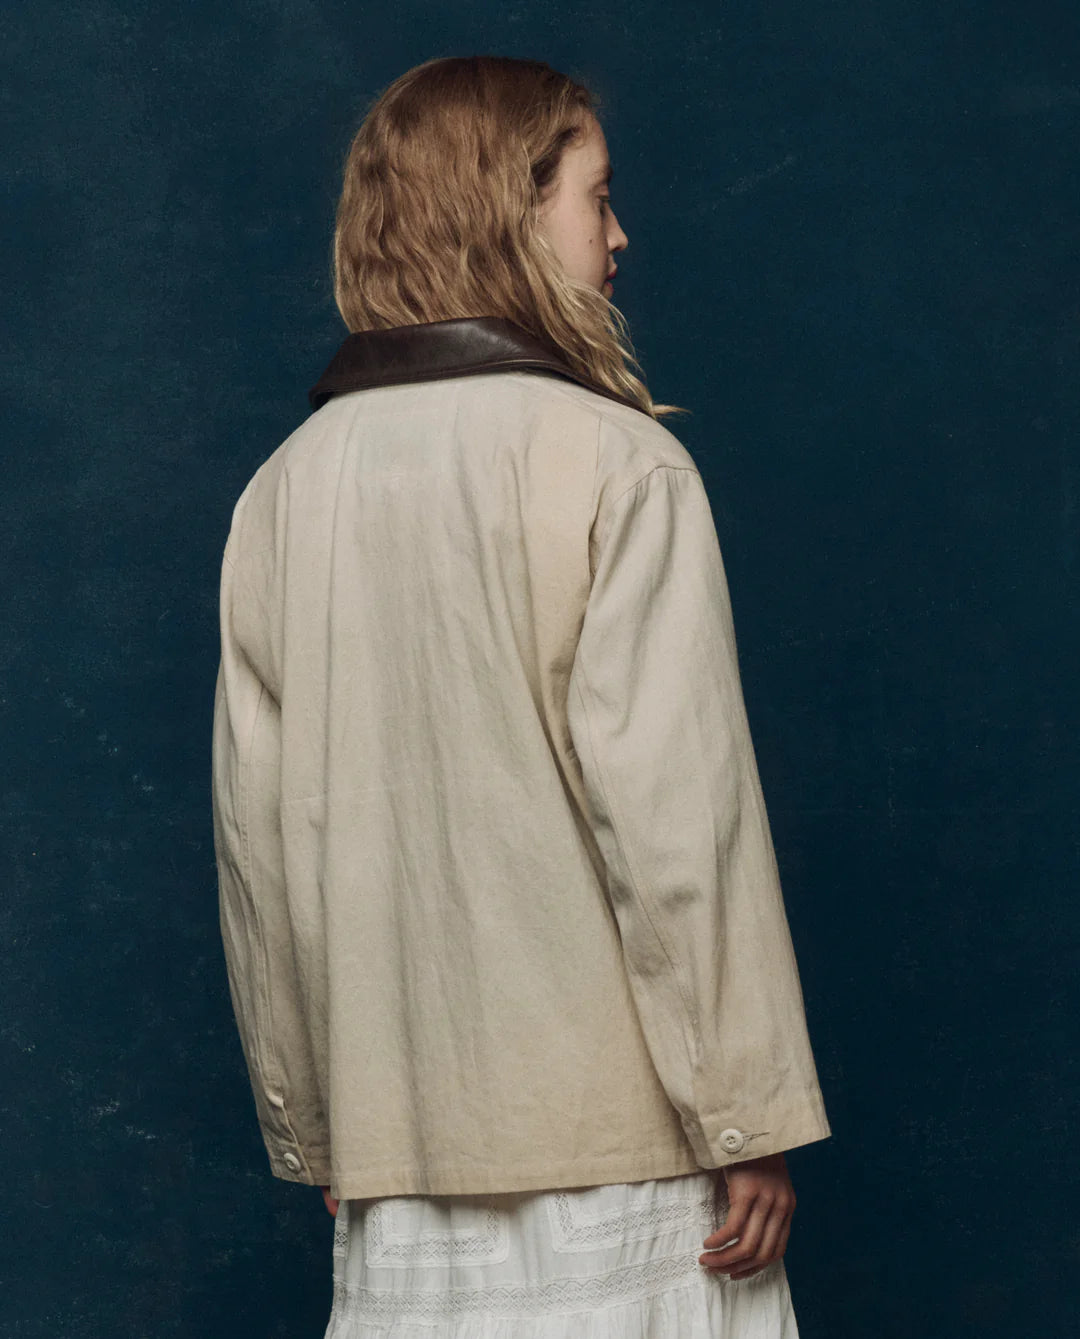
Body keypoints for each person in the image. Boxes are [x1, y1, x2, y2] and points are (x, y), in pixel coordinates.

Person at [211, 54, 832, 1338]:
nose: (620, 234)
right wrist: (748, 1118)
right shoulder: (616, 462)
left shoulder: (283, 489)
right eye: (596, 196)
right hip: (626, 1159)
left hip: (397, 1167)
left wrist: (319, 1119)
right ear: (510, 207)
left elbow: (258, 845)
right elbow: (677, 829)